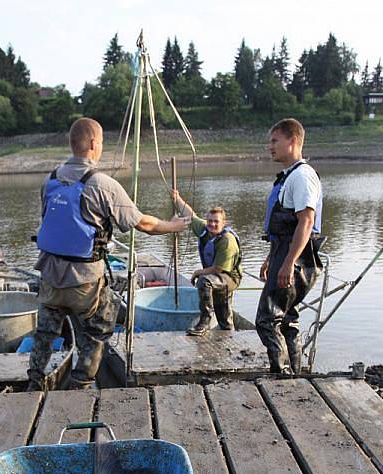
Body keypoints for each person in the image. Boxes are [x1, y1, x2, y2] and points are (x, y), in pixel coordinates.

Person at [27, 117, 189, 391]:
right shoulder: (102, 184)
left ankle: (33, 383)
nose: (101, 147)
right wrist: (173, 225)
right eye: (101, 142)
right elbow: (144, 224)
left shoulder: (50, 180)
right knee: (98, 329)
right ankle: (80, 385)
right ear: (93, 144)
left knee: (44, 333)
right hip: (84, 282)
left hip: (49, 278)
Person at [256, 117, 324, 375]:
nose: (270, 146)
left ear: (292, 140)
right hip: (286, 252)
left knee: (266, 319)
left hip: (297, 257)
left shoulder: (303, 176)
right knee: (285, 319)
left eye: (275, 141)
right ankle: (294, 373)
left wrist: (289, 263)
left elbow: (306, 223)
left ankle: (281, 374)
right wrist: (271, 258)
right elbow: (283, 227)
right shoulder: (290, 176)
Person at [171, 192, 242, 334]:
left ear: (224, 223)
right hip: (215, 276)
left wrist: (197, 273)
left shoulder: (227, 241)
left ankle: (204, 322)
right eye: (210, 221)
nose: (212, 224)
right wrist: (177, 198)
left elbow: (218, 269)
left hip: (229, 277)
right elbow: (191, 216)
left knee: (204, 281)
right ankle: (228, 333)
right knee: (224, 316)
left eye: (216, 221)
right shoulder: (205, 229)